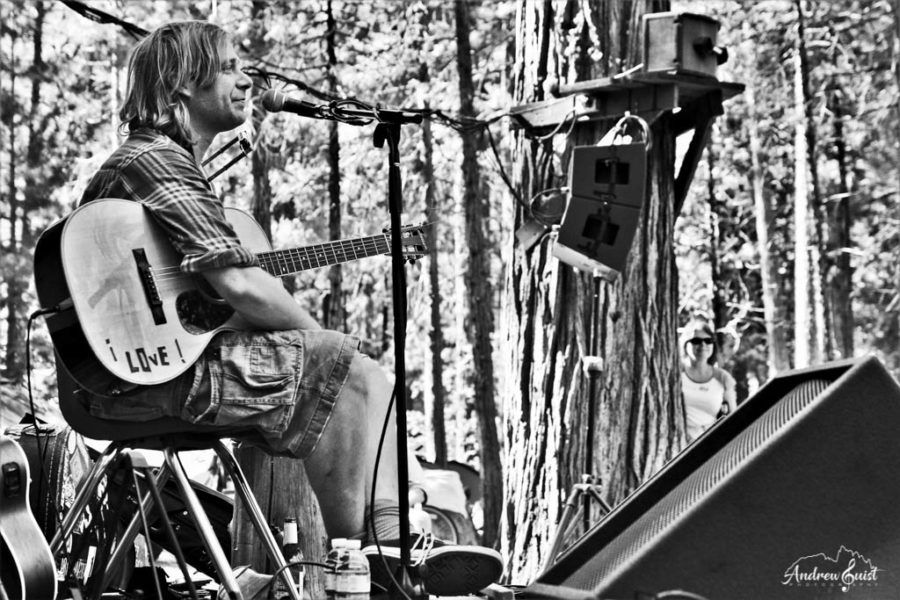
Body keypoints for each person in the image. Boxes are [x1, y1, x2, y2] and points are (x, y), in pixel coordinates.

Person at [75, 21, 501, 596]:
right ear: (182, 86)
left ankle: (389, 545)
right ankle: (378, 565)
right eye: (228, 67)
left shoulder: (158, 163)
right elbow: (242, 285)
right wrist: (326, 352)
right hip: (135, 382)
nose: (246, 80)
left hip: (141, 376)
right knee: (345, 370)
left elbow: (222, 297)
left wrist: (326, 355)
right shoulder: (158, 159)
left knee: (360, 374)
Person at [680, 319, 737, 442]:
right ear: (685, 344)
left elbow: (733, 417)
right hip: (679, 444)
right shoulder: (676, 374)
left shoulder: (723, 377)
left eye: (708, 341)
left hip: (710, 443)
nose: (703, 345)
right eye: (696, 341)